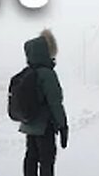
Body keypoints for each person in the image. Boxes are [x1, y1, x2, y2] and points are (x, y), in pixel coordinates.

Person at [19, 29, 68, 176]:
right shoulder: (47, 74)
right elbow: (55, 102)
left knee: (31, 157)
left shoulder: (28, 71)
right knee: (47, 160)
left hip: (29, 124)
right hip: (45, 127)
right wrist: (63, 126)